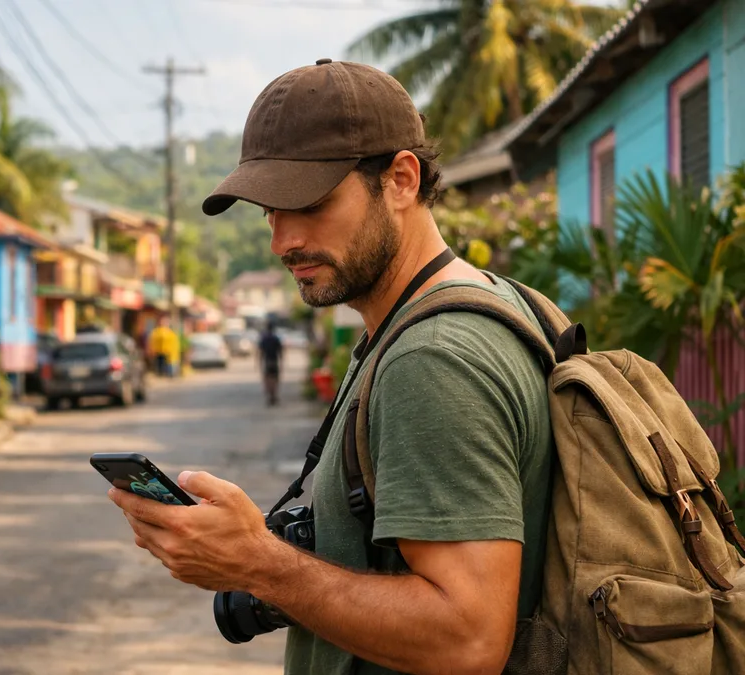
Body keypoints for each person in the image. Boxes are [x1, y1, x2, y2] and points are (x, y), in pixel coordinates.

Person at [106, 59, 553, 675]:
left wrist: (259, 563)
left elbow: (467, 639)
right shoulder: (497, 302)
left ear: (400, 180)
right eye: (268, 211)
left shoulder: (434, 358)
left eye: (307, 204)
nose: (281, 241)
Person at [257, 320, 283, 406]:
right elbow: (280, 351)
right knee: (275, 379)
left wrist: (259, 362)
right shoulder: (276, 338)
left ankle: (270, 395)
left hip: (267, 361)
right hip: (274, 361)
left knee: (267, 379)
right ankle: (274, 394)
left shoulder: (264, 339)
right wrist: (282, 362)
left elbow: (260, 352)